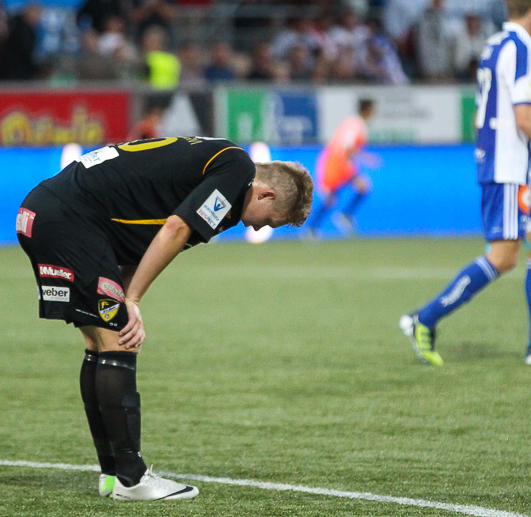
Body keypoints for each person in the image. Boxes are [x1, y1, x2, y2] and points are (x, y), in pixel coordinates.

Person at [16, 136, 313, 500]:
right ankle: (132, 479)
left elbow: (139, 244)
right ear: (265, 194)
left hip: (50, 213)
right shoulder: (236, 169)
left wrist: (126, 299)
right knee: (118, 341)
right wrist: (133, 300)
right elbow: (174, 229)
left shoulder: (222, 180)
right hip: (68, 218)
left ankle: (112, 474)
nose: (258, 230)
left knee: (100, 342)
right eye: (270, 222)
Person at [400, 0, 531, 367]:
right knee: (504, 256)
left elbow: (482, 112)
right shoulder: (523, 50)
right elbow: (525, 116)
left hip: (511, 166)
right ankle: (425, 319)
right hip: (508, 168)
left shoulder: (495, 44)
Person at [306, 98, 376, 237]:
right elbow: (348, 147)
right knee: (360, 188)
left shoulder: (352, 122)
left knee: (332, 198)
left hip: (335, 161)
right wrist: (366, 157)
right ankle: (344, 216)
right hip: (338, 163)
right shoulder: (356, 125)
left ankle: (312, 228)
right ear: (367, 110)